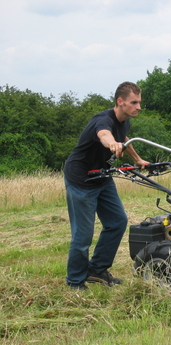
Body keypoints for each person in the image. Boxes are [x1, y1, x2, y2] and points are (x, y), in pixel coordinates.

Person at [63, 81, 149, 290]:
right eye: (134, 102)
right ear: (120, 102)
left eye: (139, 102)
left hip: (102, 178)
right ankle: (75, 280)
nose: (138, 106)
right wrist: (111, 144)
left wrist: (137, 159)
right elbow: (105, 134)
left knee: (118, 221)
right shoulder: (102, 120)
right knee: (83, 235)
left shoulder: (124, 120)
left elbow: (123, 138)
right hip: (81, 180)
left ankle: (97, 269)